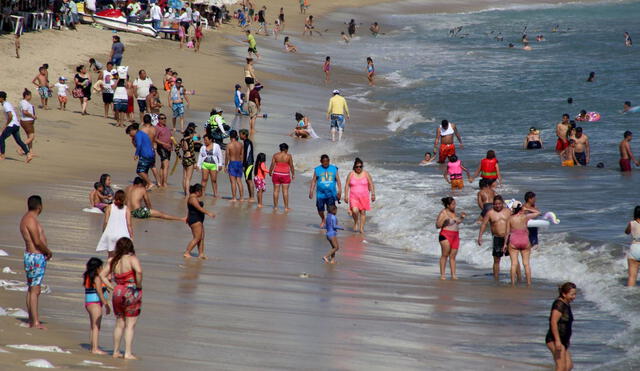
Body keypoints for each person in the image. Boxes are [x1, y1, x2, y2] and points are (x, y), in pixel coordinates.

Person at [99, 237, 142, 360]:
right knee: (130, 324)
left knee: (119, 323)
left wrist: (112, 287)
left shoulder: (113, 260)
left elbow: (102, 275)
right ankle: (127, 353)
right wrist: (138, 285)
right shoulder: (132, 259)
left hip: (118, 291)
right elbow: (139, 271)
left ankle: (116, 351)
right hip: (131, 291)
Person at [20, 195, 51, 329]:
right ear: (39, 206)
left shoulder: (26, 218)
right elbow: (37, 241)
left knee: (32, 287)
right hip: (35, 256)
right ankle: (35, 321)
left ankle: (31, 318)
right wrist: (48, 251)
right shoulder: (30, 220)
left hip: (31, 255)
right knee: (35, 289)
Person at [478, 195, 521, 281]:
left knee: (514, 259)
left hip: (509, 237)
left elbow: (517, 221)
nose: (497, 206)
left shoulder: (508, 211)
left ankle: (519, 278)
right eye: (495, 204)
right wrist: (480, 237)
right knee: (496, 260)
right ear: (493, 204)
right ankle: (496, 279)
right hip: (497, 238)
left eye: (499, 204)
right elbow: (484, 224)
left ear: (503, 203)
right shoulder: (490, 213)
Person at [505, 200, 540, 286]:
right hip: (525, 240)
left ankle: (513, 283)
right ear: (520, 208)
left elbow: (507, 233)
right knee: (526, 264)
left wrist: (504, 244)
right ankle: (529, 283)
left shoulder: (509, 219)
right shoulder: (525, 217)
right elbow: (538, 212)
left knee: (514, 264)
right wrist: (527, 208)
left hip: (514, 241)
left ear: (513, 209)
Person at [545, 282, 576, 371]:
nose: (574, 297)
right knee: (561, 367)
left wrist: (566, 341)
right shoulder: (559, 304)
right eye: (572, 294)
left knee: (568, 366)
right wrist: (558, 341)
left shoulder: (567, 303)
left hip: (563, 340)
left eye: (575, 294)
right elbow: (553, 322)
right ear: (564, 294)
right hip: (554, 339)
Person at [83, 257, 110, 354]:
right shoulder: (97, 278)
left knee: (93, 326)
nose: (102, 269)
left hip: (89, 303)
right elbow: (99, 292)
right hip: (95, 304)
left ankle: (92, 346)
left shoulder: (88, 276)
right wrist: (106, 304)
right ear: (97, 268)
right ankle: (95, 348)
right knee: (96, 326)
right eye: (101, 267)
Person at [96, 190, 133, 258]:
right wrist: (131, 236)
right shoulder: (126, 209)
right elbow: (129, 224)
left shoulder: (109, 207)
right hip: (122, 236)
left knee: (110, 256)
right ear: (124, 198)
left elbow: (106, 222)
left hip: (110, 234)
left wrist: (104, 232)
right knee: (122, 257)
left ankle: (110, 268)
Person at [436, 197, 465, 280]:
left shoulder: (454, 212)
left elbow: (456, 222)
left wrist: (462, 217)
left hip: (455, 236)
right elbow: (437, 225)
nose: (455, 206)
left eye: (455, 204)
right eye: (453, 204)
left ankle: (453, 275)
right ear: (448, 205)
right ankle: (442, 275)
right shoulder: (443, 213)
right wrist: (443, 222)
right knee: (445, 255)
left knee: (453, 256)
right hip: (445, 235)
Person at [344, 158, 375, 234]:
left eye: (360, 166)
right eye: (357, 167)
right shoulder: (351, 174)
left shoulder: (366, 174)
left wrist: (373, 194)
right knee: (355, 211)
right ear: (354, 167)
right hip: (353, 196)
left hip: (364, 196)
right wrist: (345, 195)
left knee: (363, 212)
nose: (359, 168)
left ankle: (361, 228)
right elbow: (347, 185)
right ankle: (355, 222)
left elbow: (371, 183)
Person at [184, 184, 215, 259]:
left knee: (201, 237)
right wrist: (209, 213)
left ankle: (201, 254)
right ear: (198, 191)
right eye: (202, 191)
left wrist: (187, 217)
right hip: (195, 220)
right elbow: (199, 208)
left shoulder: (194, 197)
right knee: (197, 238)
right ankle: (187, 252)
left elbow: (190, 209)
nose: (202, 193)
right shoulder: (193, 198)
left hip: (198, 219)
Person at [0, 91, 32, 162]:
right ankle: (28, 154)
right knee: (19, 141)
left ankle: (2, 155)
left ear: (2, 98)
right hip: (16, 125)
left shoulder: (6, 105)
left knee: (1, 138)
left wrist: (5, 125)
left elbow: (10, 116)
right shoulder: (7, 103)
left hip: (12, 125)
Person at [309, 154, 339, 226]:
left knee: (331, 209)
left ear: (329, 161)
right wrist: (311, 191)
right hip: (320, 194)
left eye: (327, 161)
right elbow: (313, 181)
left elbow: (338, 180)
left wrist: (340, 191)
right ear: (321, 161)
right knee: (320, 209)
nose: (326, 163)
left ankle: (330, 222)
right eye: (324, 161)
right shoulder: (317, 169)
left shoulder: (334, 168)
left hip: (331, 193)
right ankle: (323, 219)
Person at [270, 143, 296, 211]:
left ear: (280, 149)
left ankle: (275, 207)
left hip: (276, 173)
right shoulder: (288, 156)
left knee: (276, 191)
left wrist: (270, 172)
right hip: (285, 175)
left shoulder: (275, 155)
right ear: (286, 149)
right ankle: (286, 207)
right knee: (285, 191)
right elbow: (291, 166)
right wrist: (293, 174)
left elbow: (272, 164)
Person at [197, 134, 223, 198]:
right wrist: (198, 165)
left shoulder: (216, 146)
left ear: (210, 140)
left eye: (206, 140)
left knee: (214, 180)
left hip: (213, 165)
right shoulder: (203, 147)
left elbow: (220, 155)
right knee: (204, 179)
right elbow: (200, 156)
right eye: (204, 140)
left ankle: (215, 194)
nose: (205, 141)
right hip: (205, 164)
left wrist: (220, 164)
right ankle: (202, 193)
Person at [225, 130, 245, 202]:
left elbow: (227, 156)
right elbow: (242, 155)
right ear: (236, 136)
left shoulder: (229, 145)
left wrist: (225, 166)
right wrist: (242, 165)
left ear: (230, 136)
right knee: (239, 181)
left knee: (233, 182)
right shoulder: (241, 144)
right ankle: (242, 198)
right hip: (239, 163)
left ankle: (234, 198)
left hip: (232, 163)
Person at [154, 115, 172, 188]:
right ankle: (164, 183)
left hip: (168, 148)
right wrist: (164, 143)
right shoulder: (157, 128)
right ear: (158, 120)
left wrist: (172, 145)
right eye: (162, 118)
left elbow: (170, 137)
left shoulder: (166, 127)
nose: (164, 120)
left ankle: (161, 182)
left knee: (163, 166)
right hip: (161, 147)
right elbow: (155, 139)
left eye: (165, 118)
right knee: (166, 165)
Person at [179, 128, 197, 195]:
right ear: (190, 134)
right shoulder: (190, 140)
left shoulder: (182, 140)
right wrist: (195, 162)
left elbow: (177, 149)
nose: (193, 135)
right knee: (188, 178)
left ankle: (185, 191)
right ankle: (187, 193)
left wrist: (180, 158)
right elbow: (192, 152)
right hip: (190, 159)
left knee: (184, 177)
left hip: (184, 159)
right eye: (193, 134)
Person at [625, 206, 640, 286]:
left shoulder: (631, 223)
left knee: (632, 277)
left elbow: (627, 232)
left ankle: (628, 295)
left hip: (634, 248)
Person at [19, 89, 37, 153]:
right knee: (32, 137)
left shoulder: (24, 102)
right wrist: (32, 116)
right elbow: (25, 112)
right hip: (27, 121)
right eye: (30, 95)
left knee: (29, 137)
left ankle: (30, 152)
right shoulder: (24, 102)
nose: (31, 97)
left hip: (27, 121)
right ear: (26, 96)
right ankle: (20, 148)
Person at [240, 129, 255, 202]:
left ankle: (252, 197)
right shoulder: (246, 142)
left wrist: (243, 165)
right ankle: (250, 196)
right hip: (248, 163)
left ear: (244, 135)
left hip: (248, 163)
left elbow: (247, 154)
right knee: (247, 180)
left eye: (240, 134)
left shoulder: (247, 142)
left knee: (249, 180)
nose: (239, 135)